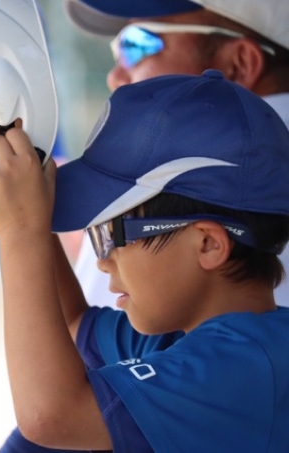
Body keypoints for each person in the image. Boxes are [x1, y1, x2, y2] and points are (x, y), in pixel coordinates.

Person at [0, 70, 289, 451]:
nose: (102, 261)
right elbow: (72, 326)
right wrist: (29, 214)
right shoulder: (182, 339)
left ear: (207, 244)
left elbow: (52, 415)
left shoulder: (248, 368)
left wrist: (20, 232)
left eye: (114, 235)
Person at [62, 0, 289, 309]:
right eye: (118, 49)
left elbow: (78, 335)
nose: (114, 75)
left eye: (136, 45)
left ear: (240, 62)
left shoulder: (169, 170)